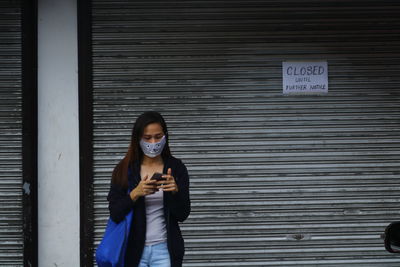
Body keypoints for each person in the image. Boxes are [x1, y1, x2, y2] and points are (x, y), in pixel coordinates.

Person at [107, 111, 191, 267]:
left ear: (165, 136)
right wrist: (134, 194)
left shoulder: (176, 168)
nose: (153, 142)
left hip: (165, 250)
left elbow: (183, 214)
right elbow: (115, 213)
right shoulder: (124, 170)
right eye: (147, 138)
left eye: (158, 137)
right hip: (133, 251)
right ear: (138, 138)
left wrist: (175, 192)